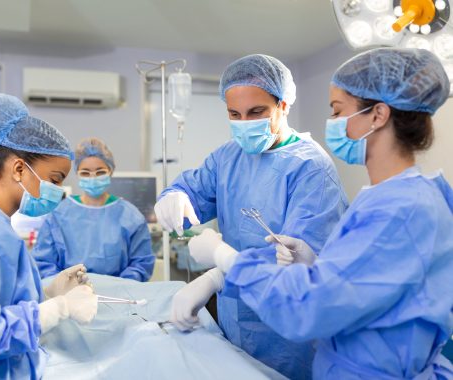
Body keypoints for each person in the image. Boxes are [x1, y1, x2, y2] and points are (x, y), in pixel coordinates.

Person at [182, 48, 453, 379]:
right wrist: (313, 262)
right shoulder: (388, 199)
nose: (332, 124)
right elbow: (357, 289)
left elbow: (308, 307)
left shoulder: (403, 210)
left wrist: (223, 260)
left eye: (338, 112)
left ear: (378, 115)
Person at [157, 54, 348, 378]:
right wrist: (174, 195)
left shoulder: (310, 168)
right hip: (235, 317)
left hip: (287, 332)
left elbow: (297, 259)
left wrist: (215, 275)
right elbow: (194, 188)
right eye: (234, 114)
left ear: (284, 105)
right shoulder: (228, 156)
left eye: (256, 112)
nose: (244, 123)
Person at [0, 94, 98, 379]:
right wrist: (58, 308)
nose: (57, 190)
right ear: (19, 168)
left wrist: (48, 293)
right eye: (55, 179)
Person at [33, 137, 155, 281]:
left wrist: (118, 287)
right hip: (69, 297)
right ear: (77, 174)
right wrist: (66, 286)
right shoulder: (59, 214)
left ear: (110, 171)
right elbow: (44, 263)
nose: (93, 177)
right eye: (85, 172)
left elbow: (141, 264)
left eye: (100, 172)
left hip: (118, 297)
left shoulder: (130, 216)